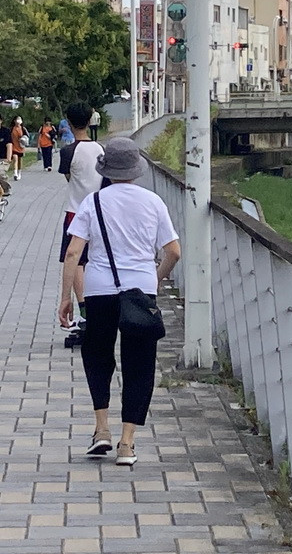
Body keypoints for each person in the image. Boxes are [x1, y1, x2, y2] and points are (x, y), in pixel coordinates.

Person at [58, 137, 180, 466]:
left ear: (106, 170)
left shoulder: (93, 203)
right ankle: (127, 444)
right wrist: (155, 277)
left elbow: (73, 252)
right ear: (136, 169)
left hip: (99, 291)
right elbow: (174, 251)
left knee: (98, 356)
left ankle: (101, 430)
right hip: (140, 291)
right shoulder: (153, 202)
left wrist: (66, 297)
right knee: (139, 365)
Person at [58, 103, 103, 325]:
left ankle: (84, 308)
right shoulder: (101, 149)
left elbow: (68, 177)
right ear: (90, 120)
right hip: (99, 211)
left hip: (74, 212)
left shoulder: (67, 151)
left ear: (68, 120)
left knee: (75, 260)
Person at [10, 115, 27, 181]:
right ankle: (15, 173)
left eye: (20, 119)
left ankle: (19, 172)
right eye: (17, 119)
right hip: (13, 146)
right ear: (14, 121)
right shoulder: (11, 129)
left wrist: (23, 139)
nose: (18, 121)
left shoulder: (23, 128)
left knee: (20, 160)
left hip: (21, 146)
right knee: (15, 158)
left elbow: (26, 137)